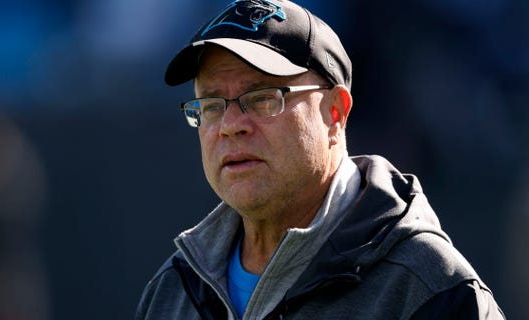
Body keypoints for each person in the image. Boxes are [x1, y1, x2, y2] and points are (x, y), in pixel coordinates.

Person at [135, 0, 505, 319]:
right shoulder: (173, 291)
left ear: (336, 113)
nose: (231, 126)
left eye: (264, 97)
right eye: (213, 105)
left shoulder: (430, 289)